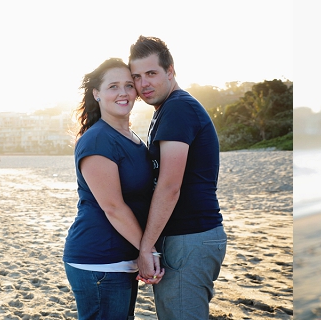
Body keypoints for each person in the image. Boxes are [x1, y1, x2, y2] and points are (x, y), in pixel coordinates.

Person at [130, 36, 227, 319]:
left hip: (190, 238)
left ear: (170, 71)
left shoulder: (178, 108)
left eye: (151, 73)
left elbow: (170, 186)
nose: (143, 83)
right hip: (189, 237)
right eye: (137, 76)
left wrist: (145, 248)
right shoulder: (167, 110)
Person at [63, 58, 164, 319]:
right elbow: (113, 207)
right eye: (113, 86)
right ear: (96, 93)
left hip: (121, 259)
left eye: (129, 85)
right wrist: (147, 250)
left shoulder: (133, 138)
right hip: (99, 260)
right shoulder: (97, 139)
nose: (123, 93)